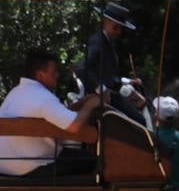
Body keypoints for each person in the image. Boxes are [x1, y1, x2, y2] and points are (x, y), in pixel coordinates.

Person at [0, 48, 102, 176]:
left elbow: (54, 115)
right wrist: (91, 105)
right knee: (93, 160)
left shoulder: (16, 92)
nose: (57, 75)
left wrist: (81, 104)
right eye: (54, 71)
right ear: (41, 75)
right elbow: (74, 126)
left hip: (6, 163)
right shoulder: (42, 97)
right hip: (29, 167)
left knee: (80, 156)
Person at [75, 2, 141, 121]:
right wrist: (102, 90)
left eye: (120, 28)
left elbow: (107, 75)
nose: (118, 32)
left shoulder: (108, 42)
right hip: (100, 97)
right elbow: (81, 68)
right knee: (140, 120)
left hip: (109, 94)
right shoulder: (99, 41)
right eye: (116, 27)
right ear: (105, 21)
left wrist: (127, 81)